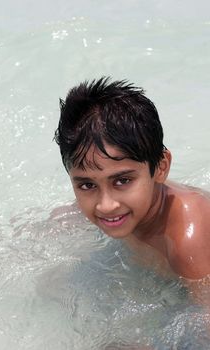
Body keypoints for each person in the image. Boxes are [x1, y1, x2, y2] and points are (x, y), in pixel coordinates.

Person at [54, 77, 210, 282]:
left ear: (161, 168)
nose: (106, 205)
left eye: (122, 181)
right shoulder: (121, 203)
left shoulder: (187, 243)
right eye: (87, 185)